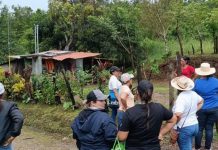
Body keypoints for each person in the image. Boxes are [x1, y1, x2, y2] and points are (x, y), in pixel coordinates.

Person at [117, 80, 177, 150]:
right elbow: (174, 119)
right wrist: (161, 133)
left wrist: (117, 133)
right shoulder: (159, 108)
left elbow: (122, 137)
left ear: (137, 93)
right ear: (152, 93)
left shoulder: (129, 112)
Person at [171, 76, 204, 150]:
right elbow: (201, 101)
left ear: (178, 88)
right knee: (188, 146)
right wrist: (194, 111)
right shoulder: (193, 93)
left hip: (185, 127)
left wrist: (175, 126)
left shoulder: (181, 97)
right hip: (195, 125)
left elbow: (178, 114)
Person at [194, 62, 218, 150]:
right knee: (209, 128)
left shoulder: (197, 82)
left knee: (199, 128)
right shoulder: (216, 81)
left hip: (201, 108)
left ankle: (197, 147)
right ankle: (208, 147)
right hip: (214, 108)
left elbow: (193, 93)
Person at [0, 83, 24, 150]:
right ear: (3, 94)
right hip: (3, 144)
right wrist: (12, 134)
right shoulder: (10, 106)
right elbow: (19, 118)